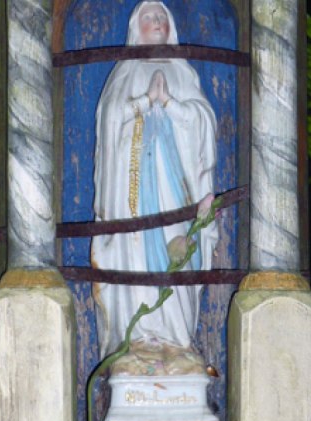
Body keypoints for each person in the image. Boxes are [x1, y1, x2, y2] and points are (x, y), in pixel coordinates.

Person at [91, 1, 218, 370]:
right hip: (132, 195)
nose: (157, 22)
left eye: (162, 16)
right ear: (136, 28)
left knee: (176, 248)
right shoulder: (124, 72)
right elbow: (110, 121)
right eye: (148, 17)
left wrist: (170, 103)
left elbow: (204, 124)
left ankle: (177, 340)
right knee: (137, 254)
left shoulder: (183, 72)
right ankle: (140, 340)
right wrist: (147, 102)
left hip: (175, 189)